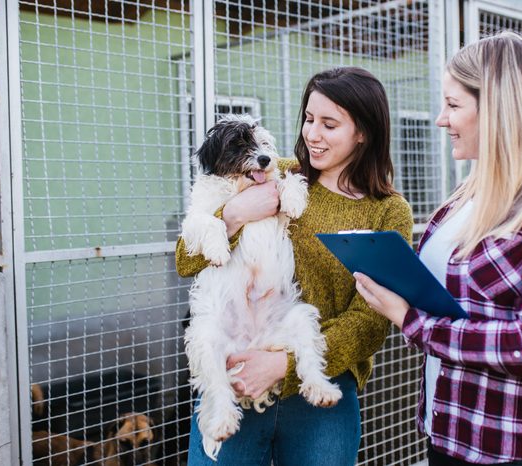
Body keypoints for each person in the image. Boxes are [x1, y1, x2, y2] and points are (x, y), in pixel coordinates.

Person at [354, 32, 522, 466]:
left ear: (498, 109)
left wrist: (409, 319)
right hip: (448, 434)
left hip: (518, 449)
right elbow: (450, 296)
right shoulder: (466, 196)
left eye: (453, 105)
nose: (440, 119)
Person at [176, 67, 413, 465]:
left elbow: (370, 322)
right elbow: (186, 259)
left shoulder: (389, 211)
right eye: (308, 118)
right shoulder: (274, 173)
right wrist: (233, 215)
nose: (312, 134)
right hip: (238, 369)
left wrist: (283, 366)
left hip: (320, 382)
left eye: (329, 124)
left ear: (363, 132)